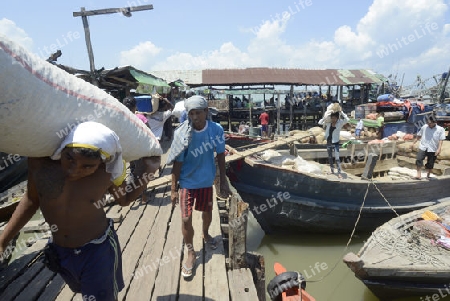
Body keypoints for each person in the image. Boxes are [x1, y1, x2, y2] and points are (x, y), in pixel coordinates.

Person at [0, 121, 161, 300]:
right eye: (69, 158)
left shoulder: (108, 171)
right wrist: (3, 240)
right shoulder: (40, 164)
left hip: (97, 251)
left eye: (87, 166)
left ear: (100, 163)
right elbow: (31, 200)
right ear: (63, 148)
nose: (74, 170)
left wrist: (148, 172)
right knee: (81, 289)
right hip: (60, 251)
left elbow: (123, 200)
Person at [166, 95, 231, 279]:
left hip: (206, 180)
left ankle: (205, 234)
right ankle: (190, 251)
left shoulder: (215, 130)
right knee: (186, 218)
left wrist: (223, 181)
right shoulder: (182, 133)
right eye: (191, 113)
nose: (195, 117)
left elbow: (220, 155)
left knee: (207, 212)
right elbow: (177, 164)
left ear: (206, 112)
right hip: (187, 181)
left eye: (198, 113)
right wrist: (173, 188)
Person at [319, 110, 350, 178]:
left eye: (335, 118)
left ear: (337, 118)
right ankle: (332, 170)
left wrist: (341, 112)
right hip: (329, 142)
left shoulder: (340, 123)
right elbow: (320, 122)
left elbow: (347, 119)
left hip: (336, 143)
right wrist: (327, 114)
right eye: (332, 118)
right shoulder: (328, 123)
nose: (333, 120)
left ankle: (339, 173)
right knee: (330, 157)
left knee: (337, 158)